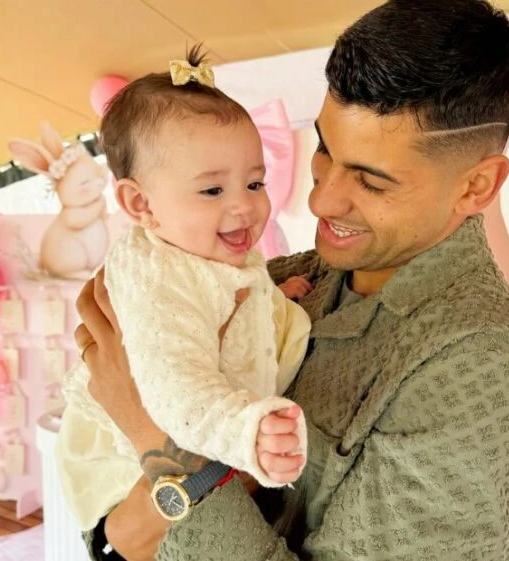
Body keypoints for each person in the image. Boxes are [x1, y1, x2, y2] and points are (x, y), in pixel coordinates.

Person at [75, 1, 509, 559]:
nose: (321, 200)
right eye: (325, 150)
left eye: (372, 181)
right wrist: (123, 523)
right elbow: (111, 537)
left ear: (476, 187)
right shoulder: (288, 277)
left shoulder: (482, 381)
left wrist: (148, 430)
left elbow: (134, 505)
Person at [55, 47, 314, 532]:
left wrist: (273, 297)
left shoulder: (200, 245)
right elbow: (177, 391)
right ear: (141, 204)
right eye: (213, 190)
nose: (245, 206)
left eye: (255, 183)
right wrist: (248, 432)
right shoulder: (159, 285)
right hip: (127, 469)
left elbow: (226, 296)